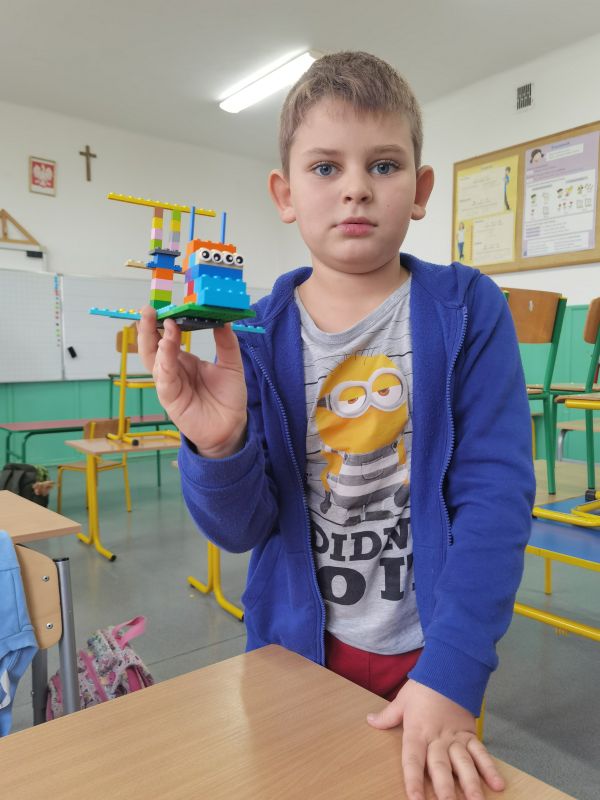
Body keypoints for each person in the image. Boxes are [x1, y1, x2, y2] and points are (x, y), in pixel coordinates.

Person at [138, 51, 535, 800]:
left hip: (432, 652)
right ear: (285, 194)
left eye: (383, 165)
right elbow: (241, 529)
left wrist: (452, 672)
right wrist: (218, 445)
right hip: (292, 651)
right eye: (326, 167)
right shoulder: (253, 333)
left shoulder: (467, 308)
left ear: (420, 190)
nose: (356, 187)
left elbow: (496, 498)